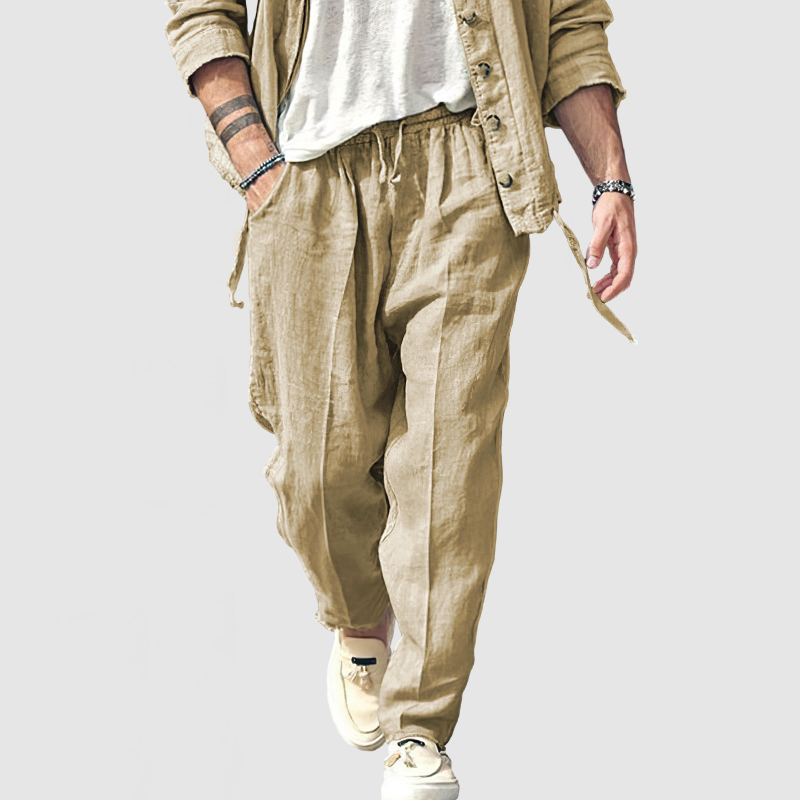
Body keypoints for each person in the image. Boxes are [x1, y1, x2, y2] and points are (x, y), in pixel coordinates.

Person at [165, 1, 637, 797]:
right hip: (308, 172)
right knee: (317, 473)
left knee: (450, 466)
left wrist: (611, 179)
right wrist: (252, 156)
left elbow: (568, 21)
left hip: (467, 164)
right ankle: (360, 617)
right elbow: (200, 11)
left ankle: (420, 728)